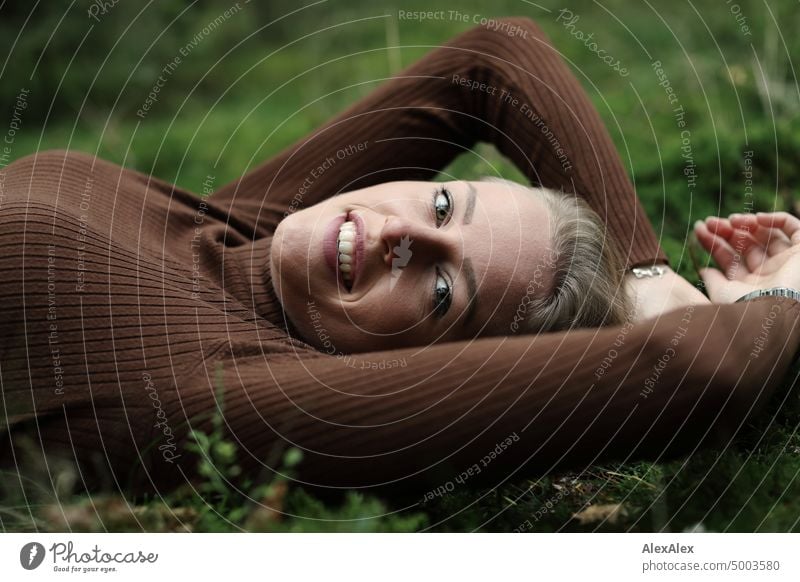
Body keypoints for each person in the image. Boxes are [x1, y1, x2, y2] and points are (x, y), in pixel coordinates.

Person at [1, 18, 798, 497]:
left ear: (418, 370)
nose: (403, 236)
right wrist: (646, 277)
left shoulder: (238, 395)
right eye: (446, 205)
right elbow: (496, 59)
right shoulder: (237, 233)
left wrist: (780, 303)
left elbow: (704, 370)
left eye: (445, 289)